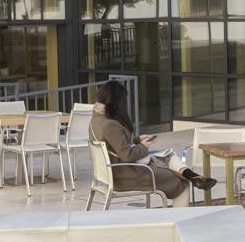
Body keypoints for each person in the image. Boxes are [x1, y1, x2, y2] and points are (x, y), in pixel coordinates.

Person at [89, 80, 217, 207]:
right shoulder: (110, 125)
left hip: (114, 173)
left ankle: (193, 176)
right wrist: (143, 146)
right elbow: (127, 155)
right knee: (180, 182)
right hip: (125, 176)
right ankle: (180, 217)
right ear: (117, 102)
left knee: (167, 155)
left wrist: (137, 140)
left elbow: (114, 145)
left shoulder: (96, 120)